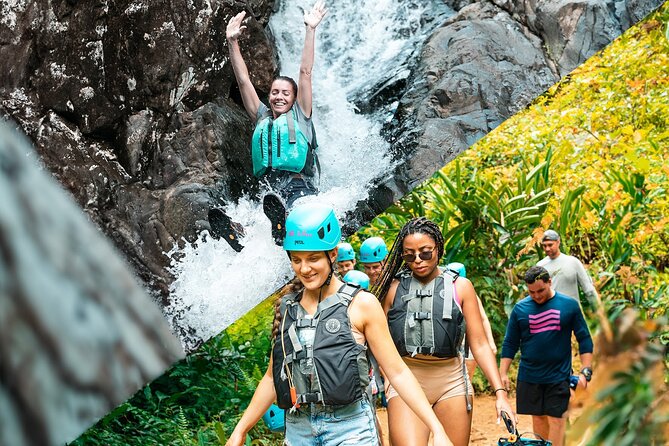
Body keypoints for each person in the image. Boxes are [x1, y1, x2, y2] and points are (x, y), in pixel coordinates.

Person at [225, 203, 454, 446]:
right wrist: (240, 430)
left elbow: (397, 371)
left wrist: (436, 428)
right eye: (296, 259)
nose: (304, 268)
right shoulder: (288, 307)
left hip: (350, 429)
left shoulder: (362, 304)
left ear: (332, 254)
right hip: (298, 430)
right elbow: (272, 378)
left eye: (313, 258)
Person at [374, 217, 515, 446]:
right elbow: (378, 340)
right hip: (407, 379)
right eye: (409, 255)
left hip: (451, 381)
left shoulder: (461, 286)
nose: (418, 260)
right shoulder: (394, 289)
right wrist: (387, 375)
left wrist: (500, 393)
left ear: (438, 248)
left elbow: (478, 343)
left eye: (425, 252)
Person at [209, 1, 327, 251]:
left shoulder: (302, 114)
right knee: (263, 213)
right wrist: (232, 42)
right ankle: (239, 234)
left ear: (294, 99)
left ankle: (284, 225)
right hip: (270, 190)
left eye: (286, 93)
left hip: (300, 185)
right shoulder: (261, 117)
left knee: (294, 210)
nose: (279, 97)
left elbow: (305, 72)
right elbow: (243, 81)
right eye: (274, 92)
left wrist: (310, 29)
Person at [499, 266, 593, 446]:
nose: (537, 295)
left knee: (558, 420)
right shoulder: (520, 309)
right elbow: (510, 342)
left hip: (559, 375)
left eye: (541, 290)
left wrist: (586, 370)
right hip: (530, 375)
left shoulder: (569, 305)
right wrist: (503, 373)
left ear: (550, 282)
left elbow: (584, 338)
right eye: (531, 292)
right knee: (539, 419)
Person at [446, 262, 498, 384]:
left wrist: (490, 342)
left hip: (468, 343)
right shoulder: (442, 291)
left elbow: (483, 318)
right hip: (449, 344)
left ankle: (467, 403)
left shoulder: (469, 294)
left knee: (466, 380)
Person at [537, 230, 599, 305]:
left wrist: (599, 311)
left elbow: (589, 290)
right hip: (551, 312)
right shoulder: (540, 266)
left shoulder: (572, 262)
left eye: (550, 245)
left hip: (573, 312)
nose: (547, 249)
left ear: (558, 242)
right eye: (544, 246)